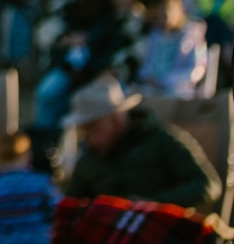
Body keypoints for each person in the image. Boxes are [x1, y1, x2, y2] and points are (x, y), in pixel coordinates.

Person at [64, 76, 223, 213]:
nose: (90, 139)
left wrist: (154, 203)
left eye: (94, 130)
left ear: (117, 121)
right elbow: (71, 204)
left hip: (156, 234)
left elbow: (207, 185)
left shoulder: (160, 140)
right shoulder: (88, 159)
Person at [134, 0, 210, 98]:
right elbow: (144, 64)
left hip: (179, 93)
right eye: (158, 14)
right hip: (149, 90)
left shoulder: (194, 34)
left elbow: (196, 70)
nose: (163, 18)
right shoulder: (151, 35)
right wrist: (147, 77)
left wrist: (164, 81)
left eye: (166, 12)